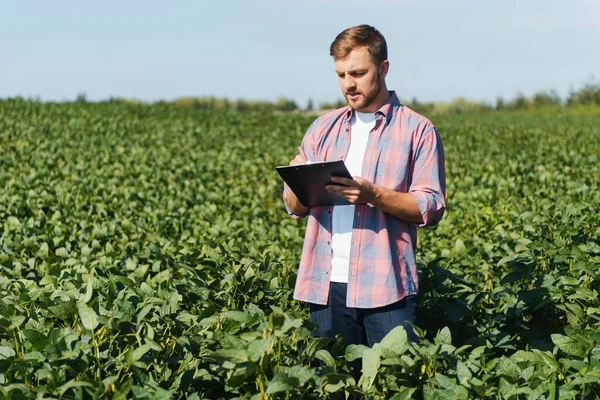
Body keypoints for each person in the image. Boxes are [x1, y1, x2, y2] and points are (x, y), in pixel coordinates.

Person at [283, 24, 446, 357]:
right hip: (325, 287)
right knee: (331, 385)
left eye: (358, 73)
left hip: (387, 289)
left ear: (383, 69)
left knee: (395, 384)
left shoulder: (418, 130)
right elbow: (295, 208)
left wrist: (374, 195)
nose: (348, 84)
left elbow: (430, 207)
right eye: (341, 74)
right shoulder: (322, 128)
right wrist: (297, 180)